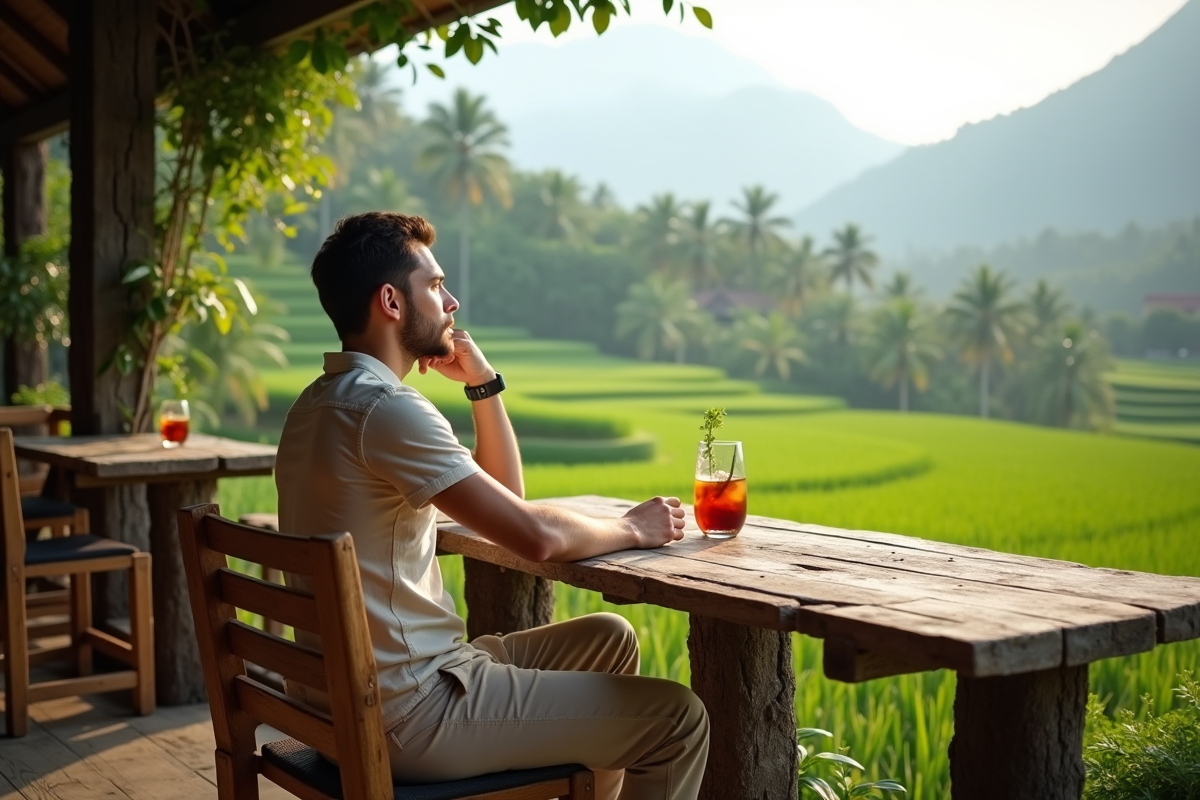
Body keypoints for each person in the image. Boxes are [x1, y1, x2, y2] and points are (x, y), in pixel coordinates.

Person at [276, 211, 709, 800]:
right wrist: (631, 527)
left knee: (610, 637)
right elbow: (536, 537)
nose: (450, 300)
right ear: (391, 302)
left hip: (339, 692)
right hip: (407, 711)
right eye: (433, 284)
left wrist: (483, 385)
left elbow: (508, 499)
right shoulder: (386, 410)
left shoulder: (318, 404)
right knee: (676, 719)